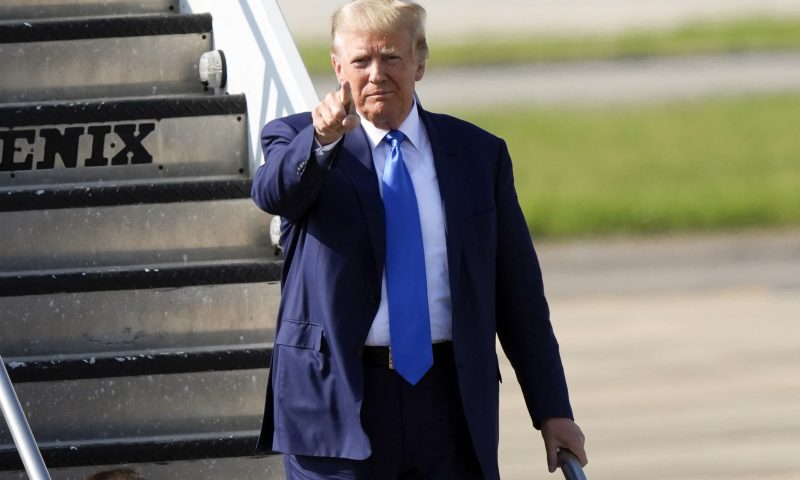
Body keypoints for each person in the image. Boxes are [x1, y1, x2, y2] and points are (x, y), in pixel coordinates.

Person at [251, 0, 588, 478]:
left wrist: (553, 410)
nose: (375, 74)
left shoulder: (477, 155)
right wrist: (321, 140)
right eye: (360, 61)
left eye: (391, 58)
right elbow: (272, 192)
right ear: (337, 66)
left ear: (420, 63)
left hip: (448, 404)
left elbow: (519, 297)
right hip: (338, 403)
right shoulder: (300, 140)